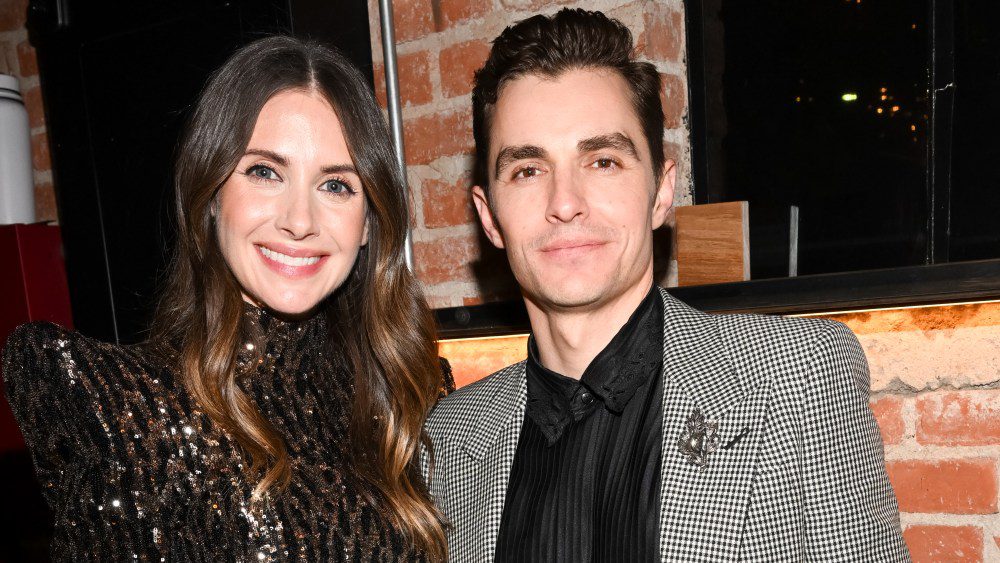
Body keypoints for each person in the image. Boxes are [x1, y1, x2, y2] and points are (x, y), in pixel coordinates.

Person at [424, 9, 909, 562]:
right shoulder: (449, 437)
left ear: (660, 193)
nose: (564, 204)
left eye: (603, 161)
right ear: (489, 218)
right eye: (528, 170)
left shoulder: (798, 380)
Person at [2, 36, 450, 561]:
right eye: (265, 172)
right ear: (212, 195)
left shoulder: (407, 395)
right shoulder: (120, 406)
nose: (299, 222)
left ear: (370, 222)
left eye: (336, 186)